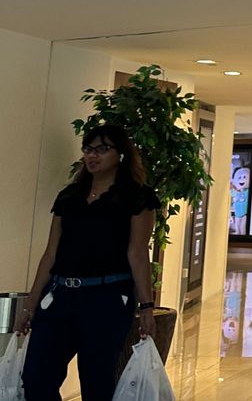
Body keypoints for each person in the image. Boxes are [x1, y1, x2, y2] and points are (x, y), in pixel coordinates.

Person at [17, 124, 160, 401]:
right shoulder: (69, 197)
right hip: (60, 295)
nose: (93, 155)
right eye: (88, 149)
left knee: (96, 381)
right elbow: (51, 253)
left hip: (107, 297)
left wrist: (146, 306)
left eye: (102, 149)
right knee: (36, 378)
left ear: (120, 154)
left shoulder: (137, 197)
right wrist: (30, 304)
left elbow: (138, 254)